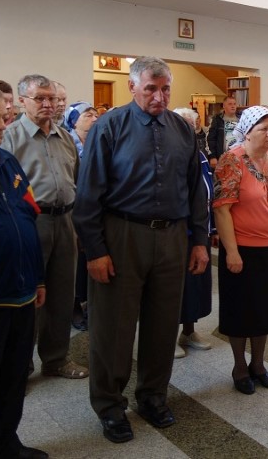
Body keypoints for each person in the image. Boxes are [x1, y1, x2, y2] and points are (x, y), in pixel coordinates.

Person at [73, 57, 209, 443]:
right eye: (151, 88)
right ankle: (110, 405)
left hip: (172, 236)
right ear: (133, 87)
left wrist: (200, 240)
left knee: (163, 325)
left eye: (165, 89)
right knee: (113, 328)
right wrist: (95, 250)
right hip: (122, 235)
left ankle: (152, 396)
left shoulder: (182, 130)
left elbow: (195, 189)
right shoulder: (109, 126)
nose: (159, 97)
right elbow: (88, 193)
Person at [0, 83, 49, 459]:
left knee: (13, 378)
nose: (3, 124)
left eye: (4, 116)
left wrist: (38, 277)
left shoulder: (8, 162)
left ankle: (4, 445)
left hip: (21, 293)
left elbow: (27, 219)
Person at [2, 74, 88, 380]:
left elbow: (76, 181)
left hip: (65, 221)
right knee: (28, 298)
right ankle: (21, 365)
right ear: (22, 101)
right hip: (29, 223)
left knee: (62, 295)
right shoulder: (10, 138)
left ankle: (56, 359)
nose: (48, 104)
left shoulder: (64, 137)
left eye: (52, 98)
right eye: (40, 98)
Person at [213, 106, 268, 394]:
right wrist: (232, 252)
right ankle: (239, 366)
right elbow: (222, 210)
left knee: (265, 311)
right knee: (240, 311)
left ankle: (258, 365)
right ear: (247, 133)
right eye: (264, 129)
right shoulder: (231, 160)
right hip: (242, 249)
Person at [174, 108, 216, 359]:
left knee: (195, 285)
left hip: (200, 230)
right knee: (175, 287)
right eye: (185, 125)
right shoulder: (172, 154)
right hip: (178, 231)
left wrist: (212, 228)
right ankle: (167, 336)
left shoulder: (199, 154)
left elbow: (208, 190)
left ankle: (188, 331)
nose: (190, 129)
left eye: (193, 125)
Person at [63, 101, 100, 332]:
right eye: (88, 115)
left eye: (96, 114)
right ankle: (74, 305)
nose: (94, 118)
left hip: (95, 209)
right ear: (74, 121)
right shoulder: (67, 144)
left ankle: (89, 303)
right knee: (76, 261)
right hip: (73, 210)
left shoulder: (98, 141)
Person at [207, 95, 239, 168]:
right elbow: (210, 139)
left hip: (239, 158)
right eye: (230, 104)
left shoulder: (242, 119)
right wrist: (212, 156)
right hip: (222, 158)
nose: (233, 106)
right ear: (224, 106)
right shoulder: (217, 119)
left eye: (234, 104)